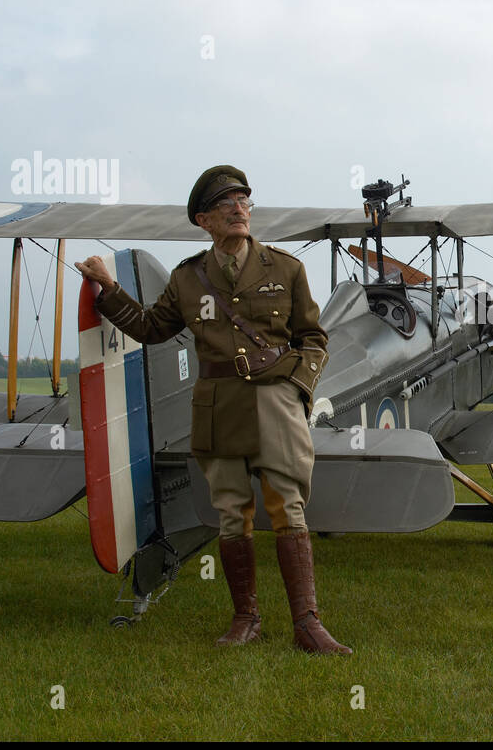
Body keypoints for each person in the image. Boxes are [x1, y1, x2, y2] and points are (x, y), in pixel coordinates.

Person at [74, 165, 350, 654]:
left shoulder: (286, 269)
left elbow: (313, 339)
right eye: (226, 205)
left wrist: (295, 390)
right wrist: (107, 290)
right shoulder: (187, 278)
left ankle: (307, 624)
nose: (238, 209)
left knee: (288, 508)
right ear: (204, 220)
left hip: (275, 403)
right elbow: (151, 327)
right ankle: (246, 618)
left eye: (243, 201)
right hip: (218, 406)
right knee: (231, 515)